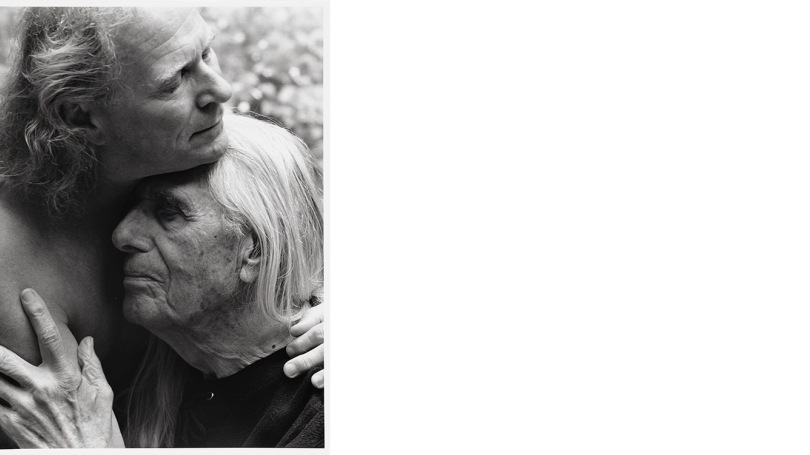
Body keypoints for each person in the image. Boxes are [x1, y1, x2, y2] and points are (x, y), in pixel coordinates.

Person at [0, 6, 325, 395]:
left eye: (206, 53)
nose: (222, 89)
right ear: (80, 116)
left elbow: (281, 234)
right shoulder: (15, 263)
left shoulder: (179, 147)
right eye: (174, 81)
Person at [0, 114, 324, 448]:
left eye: (169, 213)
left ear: (253, 251)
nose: (122, 234)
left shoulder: (316, 414)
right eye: (132, 208)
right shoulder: (164, 378)